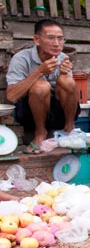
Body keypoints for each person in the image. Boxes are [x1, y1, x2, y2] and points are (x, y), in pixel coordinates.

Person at [5, 19, 78, 154]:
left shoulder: (62, 58)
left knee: (68, 81)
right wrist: (39, 72)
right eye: (50, 38)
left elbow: (69, 92)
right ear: (37, 40)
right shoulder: (21, 58)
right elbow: (11, 96)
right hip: (30, 114)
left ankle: (69, 129)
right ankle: (40, 133)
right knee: (40, 86)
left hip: (58, 112)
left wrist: (63, 74)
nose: (56, 44)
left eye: (60, 39)